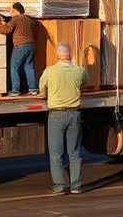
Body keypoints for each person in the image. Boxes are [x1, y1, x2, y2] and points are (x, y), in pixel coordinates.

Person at [39, 42, 88, 195]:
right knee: (74, 152)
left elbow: (42, 90)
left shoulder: (49, 71)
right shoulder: (79, 71)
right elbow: (84, 84)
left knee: (56, 154)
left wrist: (47, 94)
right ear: (70, 55)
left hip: (56, 115)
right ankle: (76, 186)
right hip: (75, 114)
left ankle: (60, 186)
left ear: (57, 56)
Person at [0, 2, 37, 97]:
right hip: (31, 45)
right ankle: (33, 89)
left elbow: (7, 30)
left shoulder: (16, 19)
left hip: (20, 46)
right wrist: (5, 23)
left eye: (11, 10)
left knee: (14, 67)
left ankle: (15, 90)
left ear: (16, 10)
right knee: (29, 67)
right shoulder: (29, 20)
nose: (10, 12)